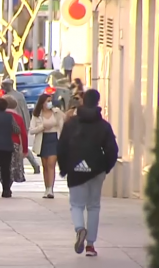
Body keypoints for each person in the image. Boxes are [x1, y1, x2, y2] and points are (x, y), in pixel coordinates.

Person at [57, 89, 118, 256]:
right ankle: (90, 245)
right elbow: (112, 150)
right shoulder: (104, 126)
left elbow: (62, 147)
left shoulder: (71, 124)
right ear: (98, 102)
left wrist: (64, 168)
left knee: (76, 204)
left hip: (76, 169)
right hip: (96, 169)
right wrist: (105, 167)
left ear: (83, 101)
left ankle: (79, 229)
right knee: (93, 206)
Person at [29, 94, 65, 199]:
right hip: (43, 140)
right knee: (45, 165)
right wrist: (42, 127)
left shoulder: (56, 112)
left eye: (50, 101)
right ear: (42, 103)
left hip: (54, 139)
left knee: (51, 164)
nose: (49, 103)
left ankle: (51, 189)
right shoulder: (37, 115)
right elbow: (31, 130)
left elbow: (62, 127)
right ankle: (46, 188)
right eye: (47, 101)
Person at [1, 79, 41, 174]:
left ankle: (22, 168)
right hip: (21, 122)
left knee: (19, 147)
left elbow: (23, 110)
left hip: (15, 123)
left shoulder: (9, 97)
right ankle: (32, 165)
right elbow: (26, 111)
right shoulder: (19, 95)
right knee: (21, 146)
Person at [0, 95, 28, 184]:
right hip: (14, 144)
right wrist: (25, 149)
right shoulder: (18, 118)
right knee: (12, 165)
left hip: (0, 144)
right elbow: (23, 134)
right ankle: (8, 184)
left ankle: (3, 182)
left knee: (2, 165)